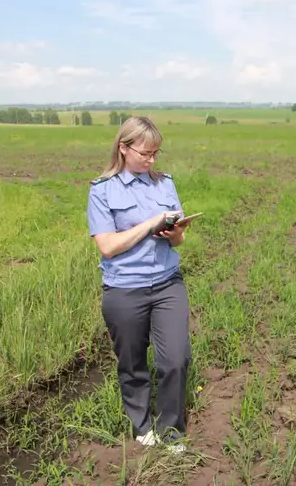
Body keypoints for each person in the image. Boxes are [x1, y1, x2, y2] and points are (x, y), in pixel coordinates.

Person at [86, 116, 192, 453]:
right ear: (124, 147)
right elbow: (107, 246)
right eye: (145, 153)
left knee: (175, 359)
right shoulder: (102, 190)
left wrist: (175, 232)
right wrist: (149, 224)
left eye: (156, 153)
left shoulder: (165, 184)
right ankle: (142, 426)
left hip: (166, 284)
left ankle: (171, 429)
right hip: (124, 289)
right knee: (132, 363)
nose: (151, 160)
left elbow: (179, 242)